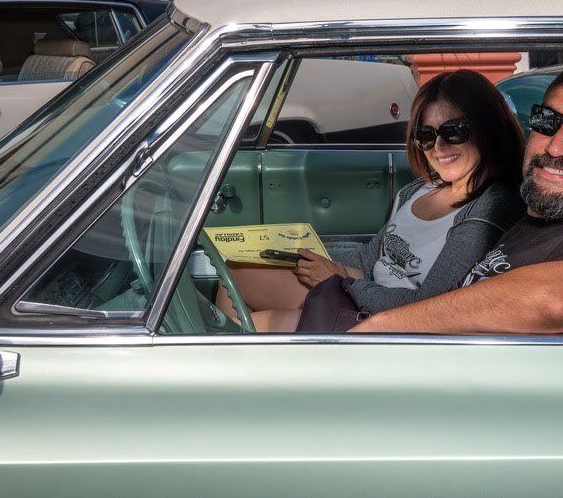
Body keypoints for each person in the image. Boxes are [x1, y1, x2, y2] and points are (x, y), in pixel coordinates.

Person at [351, 59, 563, 335]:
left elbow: (554, 303)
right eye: (546, 122)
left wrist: (381, 324)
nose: (555, 148)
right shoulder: (533, 219)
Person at [218, 69, 526, 332]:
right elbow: (371, 258)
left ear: (488, 129)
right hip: (359, 293)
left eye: (454, 131)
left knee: (248, 329)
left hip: (384, 323)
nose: (438, 146)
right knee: (231, 270)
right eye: (426, 135)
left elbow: (429, 307)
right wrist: (299, 254)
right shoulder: (422, 188)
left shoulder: (490, 207)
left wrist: (345, 281)